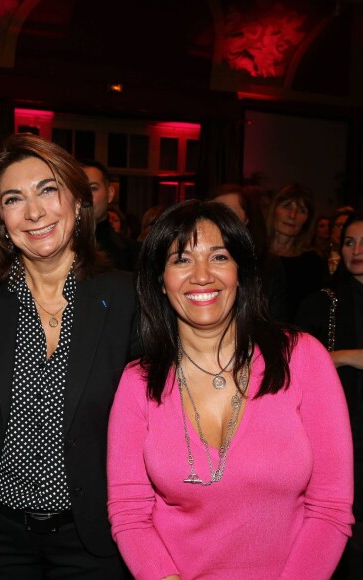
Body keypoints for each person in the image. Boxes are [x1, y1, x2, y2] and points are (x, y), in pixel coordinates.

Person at [107, 199, 353, 579]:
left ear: (241, 271)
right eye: (182, 260)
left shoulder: (302, 359)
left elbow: (330, 507)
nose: (202, 275)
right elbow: (129, 512)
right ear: (161, 278)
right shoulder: (138, 381)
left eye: (219, 257)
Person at [0, 133, 140, 578]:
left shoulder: (126, 295)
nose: (34, 212)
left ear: (78, 202)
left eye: (47, 190)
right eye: (14, 199)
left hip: (91, 537)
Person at [296, 211, 363, 579]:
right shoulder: (322, 301)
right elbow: (297, 363)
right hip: (339, 432)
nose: (357, 250)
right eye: (350, 242)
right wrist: (349, 356)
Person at [208, 183, 289, 321]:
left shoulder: (267, 264)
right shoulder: (196, 260)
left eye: (229, 211)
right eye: (215, 211)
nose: (221, 218)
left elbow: (276, 319)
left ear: (246, 218)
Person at [266, 182, 328, 318]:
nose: (292, 215)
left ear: (307, 220)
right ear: (274, 209)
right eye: (287, 206)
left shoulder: (313, 262)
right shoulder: (254, 254)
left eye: (301, 210)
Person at [80, 159, 139, 271]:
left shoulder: (135, 253)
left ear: (110, 194)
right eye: (79, 189)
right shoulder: (54, 249)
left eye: (93, 188)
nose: (85, 196)